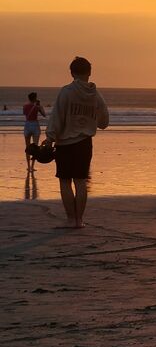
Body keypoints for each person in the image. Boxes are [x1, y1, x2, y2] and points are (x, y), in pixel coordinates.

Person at [44, 56, 109, 228]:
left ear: (72, 73)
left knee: (65, 181)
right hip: (85, 143)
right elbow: (104, 121)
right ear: (90, 72)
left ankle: (70, 219)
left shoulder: (66, 91)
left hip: (65, 143)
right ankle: (79, 220)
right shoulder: (95, 94)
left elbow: (56, 117)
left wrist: (50, 138)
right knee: (80, 181)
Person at [23, 92, 46, 170]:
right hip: (35, 125)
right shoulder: (37, 107)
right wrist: (39, 106)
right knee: (35, 147)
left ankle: (28, 166)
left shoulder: (25, 106)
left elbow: (25, 114)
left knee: (28, 146)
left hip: (27, 125)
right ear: (35, 98)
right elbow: (44, 114)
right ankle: (32, 167)